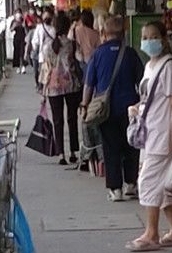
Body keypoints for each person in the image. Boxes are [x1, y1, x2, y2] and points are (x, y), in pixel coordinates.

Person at [126, 17, 172, 252]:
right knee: (164, 184)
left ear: (163, 39)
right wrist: (138, 108)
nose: (148, 41)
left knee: (148, 181)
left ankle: (151, 233)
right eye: (145, 37)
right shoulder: (150, 66)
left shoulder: (170, 67)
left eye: (153, 37)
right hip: (150, 132)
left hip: (163, 133)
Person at [83, 11, 144, 202]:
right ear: (123, 34)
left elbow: (89, 84)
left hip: (106, 110)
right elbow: (142, 82)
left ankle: (115, 189)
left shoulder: (97, 54)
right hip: (130, 108)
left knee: (110, 148)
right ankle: (131, 184)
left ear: (104, 33)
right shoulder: (131, 54)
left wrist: (84, 105)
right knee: (131, 145)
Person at [40, 10, 84, 164]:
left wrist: (43, 90)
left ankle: (61, 154)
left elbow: (45, 69)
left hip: (53, 87)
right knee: (72, 119)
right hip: (71, 84)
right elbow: (80, 59)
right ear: (67, 27)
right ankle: (73, 151)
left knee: (57, 120)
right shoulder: (72, 44)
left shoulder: (48, 46)